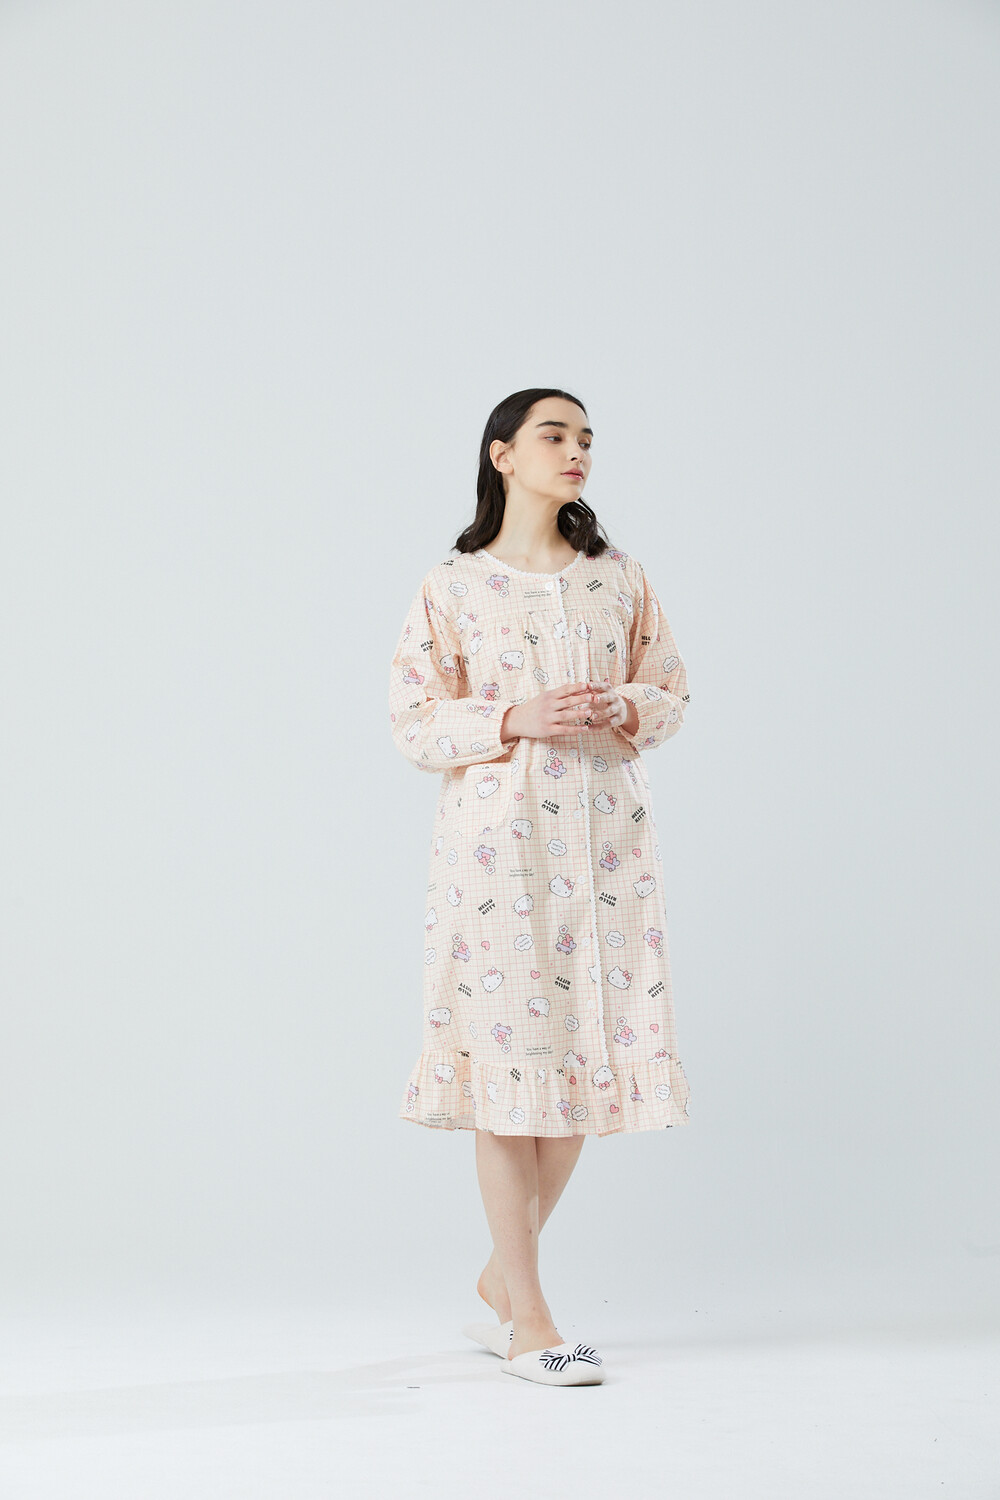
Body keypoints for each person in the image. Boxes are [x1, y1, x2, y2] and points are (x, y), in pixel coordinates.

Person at [388, 387, 692, 1385]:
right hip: (496, 856)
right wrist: (513, 718)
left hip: (607, 851)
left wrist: (623, 707)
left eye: (586, 439)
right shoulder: (454, 584)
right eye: (555, 436)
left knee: (582, 1072)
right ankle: (529, 1321)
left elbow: (671, 692)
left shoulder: (619, 578)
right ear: (503, 455)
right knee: (509, 1081)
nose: (577, 452)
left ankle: (500, 1281)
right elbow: (413, 721)